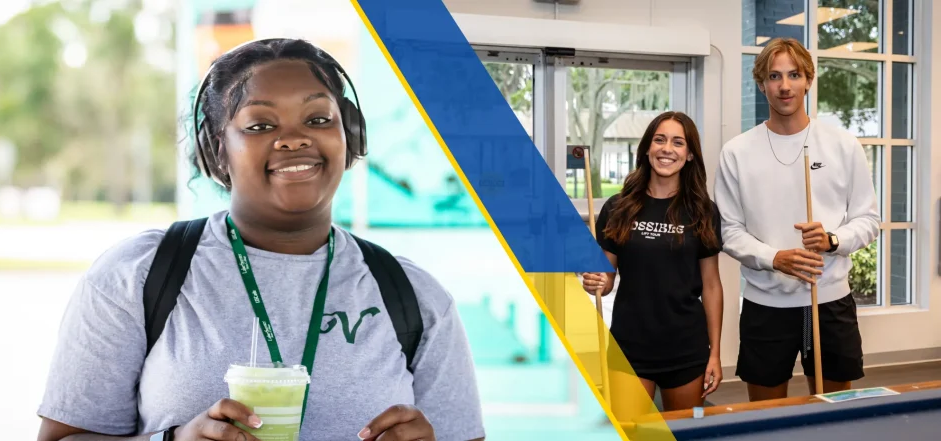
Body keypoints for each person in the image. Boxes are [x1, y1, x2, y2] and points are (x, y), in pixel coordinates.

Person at [35, 38, 485, 441]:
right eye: (259, 126)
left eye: (317, 118)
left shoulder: (414, 296)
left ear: (348, 136)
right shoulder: (137, 275)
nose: (293, 139)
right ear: (216, 151)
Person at [714, 37, 881, 402]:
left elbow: (868, 220)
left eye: (794, 75)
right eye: (774, 76)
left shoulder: (842, 145)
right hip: (765, 305)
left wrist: (832, 240)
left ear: (809, 80)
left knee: (834, 413)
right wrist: (774, 258)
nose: (784, 85)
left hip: (830, 302)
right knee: (766, 413)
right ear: (761, 84)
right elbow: (728, 231)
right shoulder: (737, 152)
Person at [580, 111, 724, 412]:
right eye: (659, 140)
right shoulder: (618, 207)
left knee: (682, 434)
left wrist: (715, 354)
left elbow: (711, 286)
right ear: (647, 148)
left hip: (685, 346)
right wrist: (595, 280)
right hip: (629, 345)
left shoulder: (702, 211)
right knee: (633, 435)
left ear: (689, 156)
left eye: (678, 142)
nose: (666, 149)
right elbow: (605, 280)